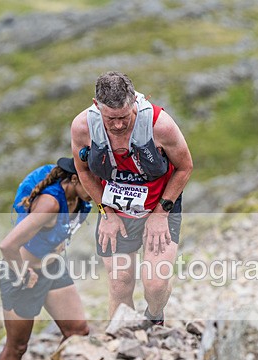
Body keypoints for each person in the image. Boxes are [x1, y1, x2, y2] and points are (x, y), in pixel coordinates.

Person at [70, 71, 193, 325]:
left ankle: (154, 318)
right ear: (97, 106)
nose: (117, 125)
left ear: (135, 102)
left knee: (156, 285)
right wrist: (106, 213)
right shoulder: (83, 127)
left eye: (124, 117)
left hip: (160, 206)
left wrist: (160, 214)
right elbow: (83, 171)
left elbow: (185, 167)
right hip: (115, 212)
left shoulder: (161, 125)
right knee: (120, 284)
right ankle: (123, 344)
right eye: (110, 118)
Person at [0, 157, 93, 360]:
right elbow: (7, 246)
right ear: (74, 179)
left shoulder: (80, 199)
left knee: (78, 331)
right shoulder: (49, 204)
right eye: (94, 184)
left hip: (53, 268)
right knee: (17, 347)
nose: (99, 191)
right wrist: (22, 273)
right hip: (21, 274)